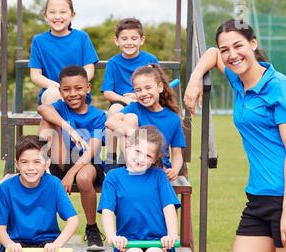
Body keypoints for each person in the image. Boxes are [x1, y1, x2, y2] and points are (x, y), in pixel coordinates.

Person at [184, 19, 286, 252]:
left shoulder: (278, 86)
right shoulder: (236, 78)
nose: (231, 54)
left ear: (253, 44)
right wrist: (195, 77)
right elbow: (210, 52)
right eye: (226, 50)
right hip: (257, 204)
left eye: (238, 46)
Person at [99, 126, 180, 252]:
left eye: (148, 155)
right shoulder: (113, 177)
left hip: (159, 242)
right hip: (127, 242)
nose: (141, 158)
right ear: (127, 145)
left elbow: (169, 208)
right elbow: (107, 211)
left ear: (155, 159)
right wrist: (113, 237)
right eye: (137, 151)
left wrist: (171, 235)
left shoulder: (158, 176)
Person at [0, 135, 79, 252]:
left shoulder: (53, 184)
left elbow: (73, 220)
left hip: (47, 240)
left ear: (46, 164)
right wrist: (10, 245)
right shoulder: (6, 188)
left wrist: (56, 245)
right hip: (16, 241)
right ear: (17, 164)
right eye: (25, 162)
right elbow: (0, 231)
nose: (31, 167)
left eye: (37, 162)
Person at [37, 65, 107, 252]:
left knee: (83, 178)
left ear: (88, 88)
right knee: (49, 120)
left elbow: (92, 150)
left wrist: (71, 174)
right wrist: (68, 128)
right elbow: (43, 108)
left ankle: (92, 228)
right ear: (60, 91)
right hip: (61, 161)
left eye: (78, 88)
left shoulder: (98, 116)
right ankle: (40, 164)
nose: (72, 94)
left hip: (87, 164)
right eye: (66, 89)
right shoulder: (59, 108)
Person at [106, 64, 186, 181]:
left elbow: (177, 155)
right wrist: (137, 134)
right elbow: (110, 122)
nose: (143, 93)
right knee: (130, 118)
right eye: (138, 90)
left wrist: (174, 170)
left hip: (158, 168)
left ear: (159, 87)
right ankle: (130, 167)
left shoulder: (173, 118)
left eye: (148, 88)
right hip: (135, 164)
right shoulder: (135, 107)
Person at [101, 18, 159, 166]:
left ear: (142, 40)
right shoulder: (113, 63)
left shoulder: (150, 59)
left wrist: (137, 96)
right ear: (117, 41)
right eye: (124, 39)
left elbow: (158, 85)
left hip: (145, 100)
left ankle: (133, 158)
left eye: (134, 38)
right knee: (114, 111)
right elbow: (107, 92)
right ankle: (112, 159)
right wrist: (126, 100)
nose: (129, 42)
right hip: (122, 101)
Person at [29, 0, 99, 106]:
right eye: (52, 12)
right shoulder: (39, 41)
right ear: (45, 15)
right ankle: (59, 122)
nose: (57, 16)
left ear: (72, 15)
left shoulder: (82, 38)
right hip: (51, 91)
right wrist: (56, 86)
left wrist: (73, 86)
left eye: (62, 12)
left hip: (77, 92)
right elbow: (35, 75)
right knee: (53, 94)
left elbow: (89, 69)